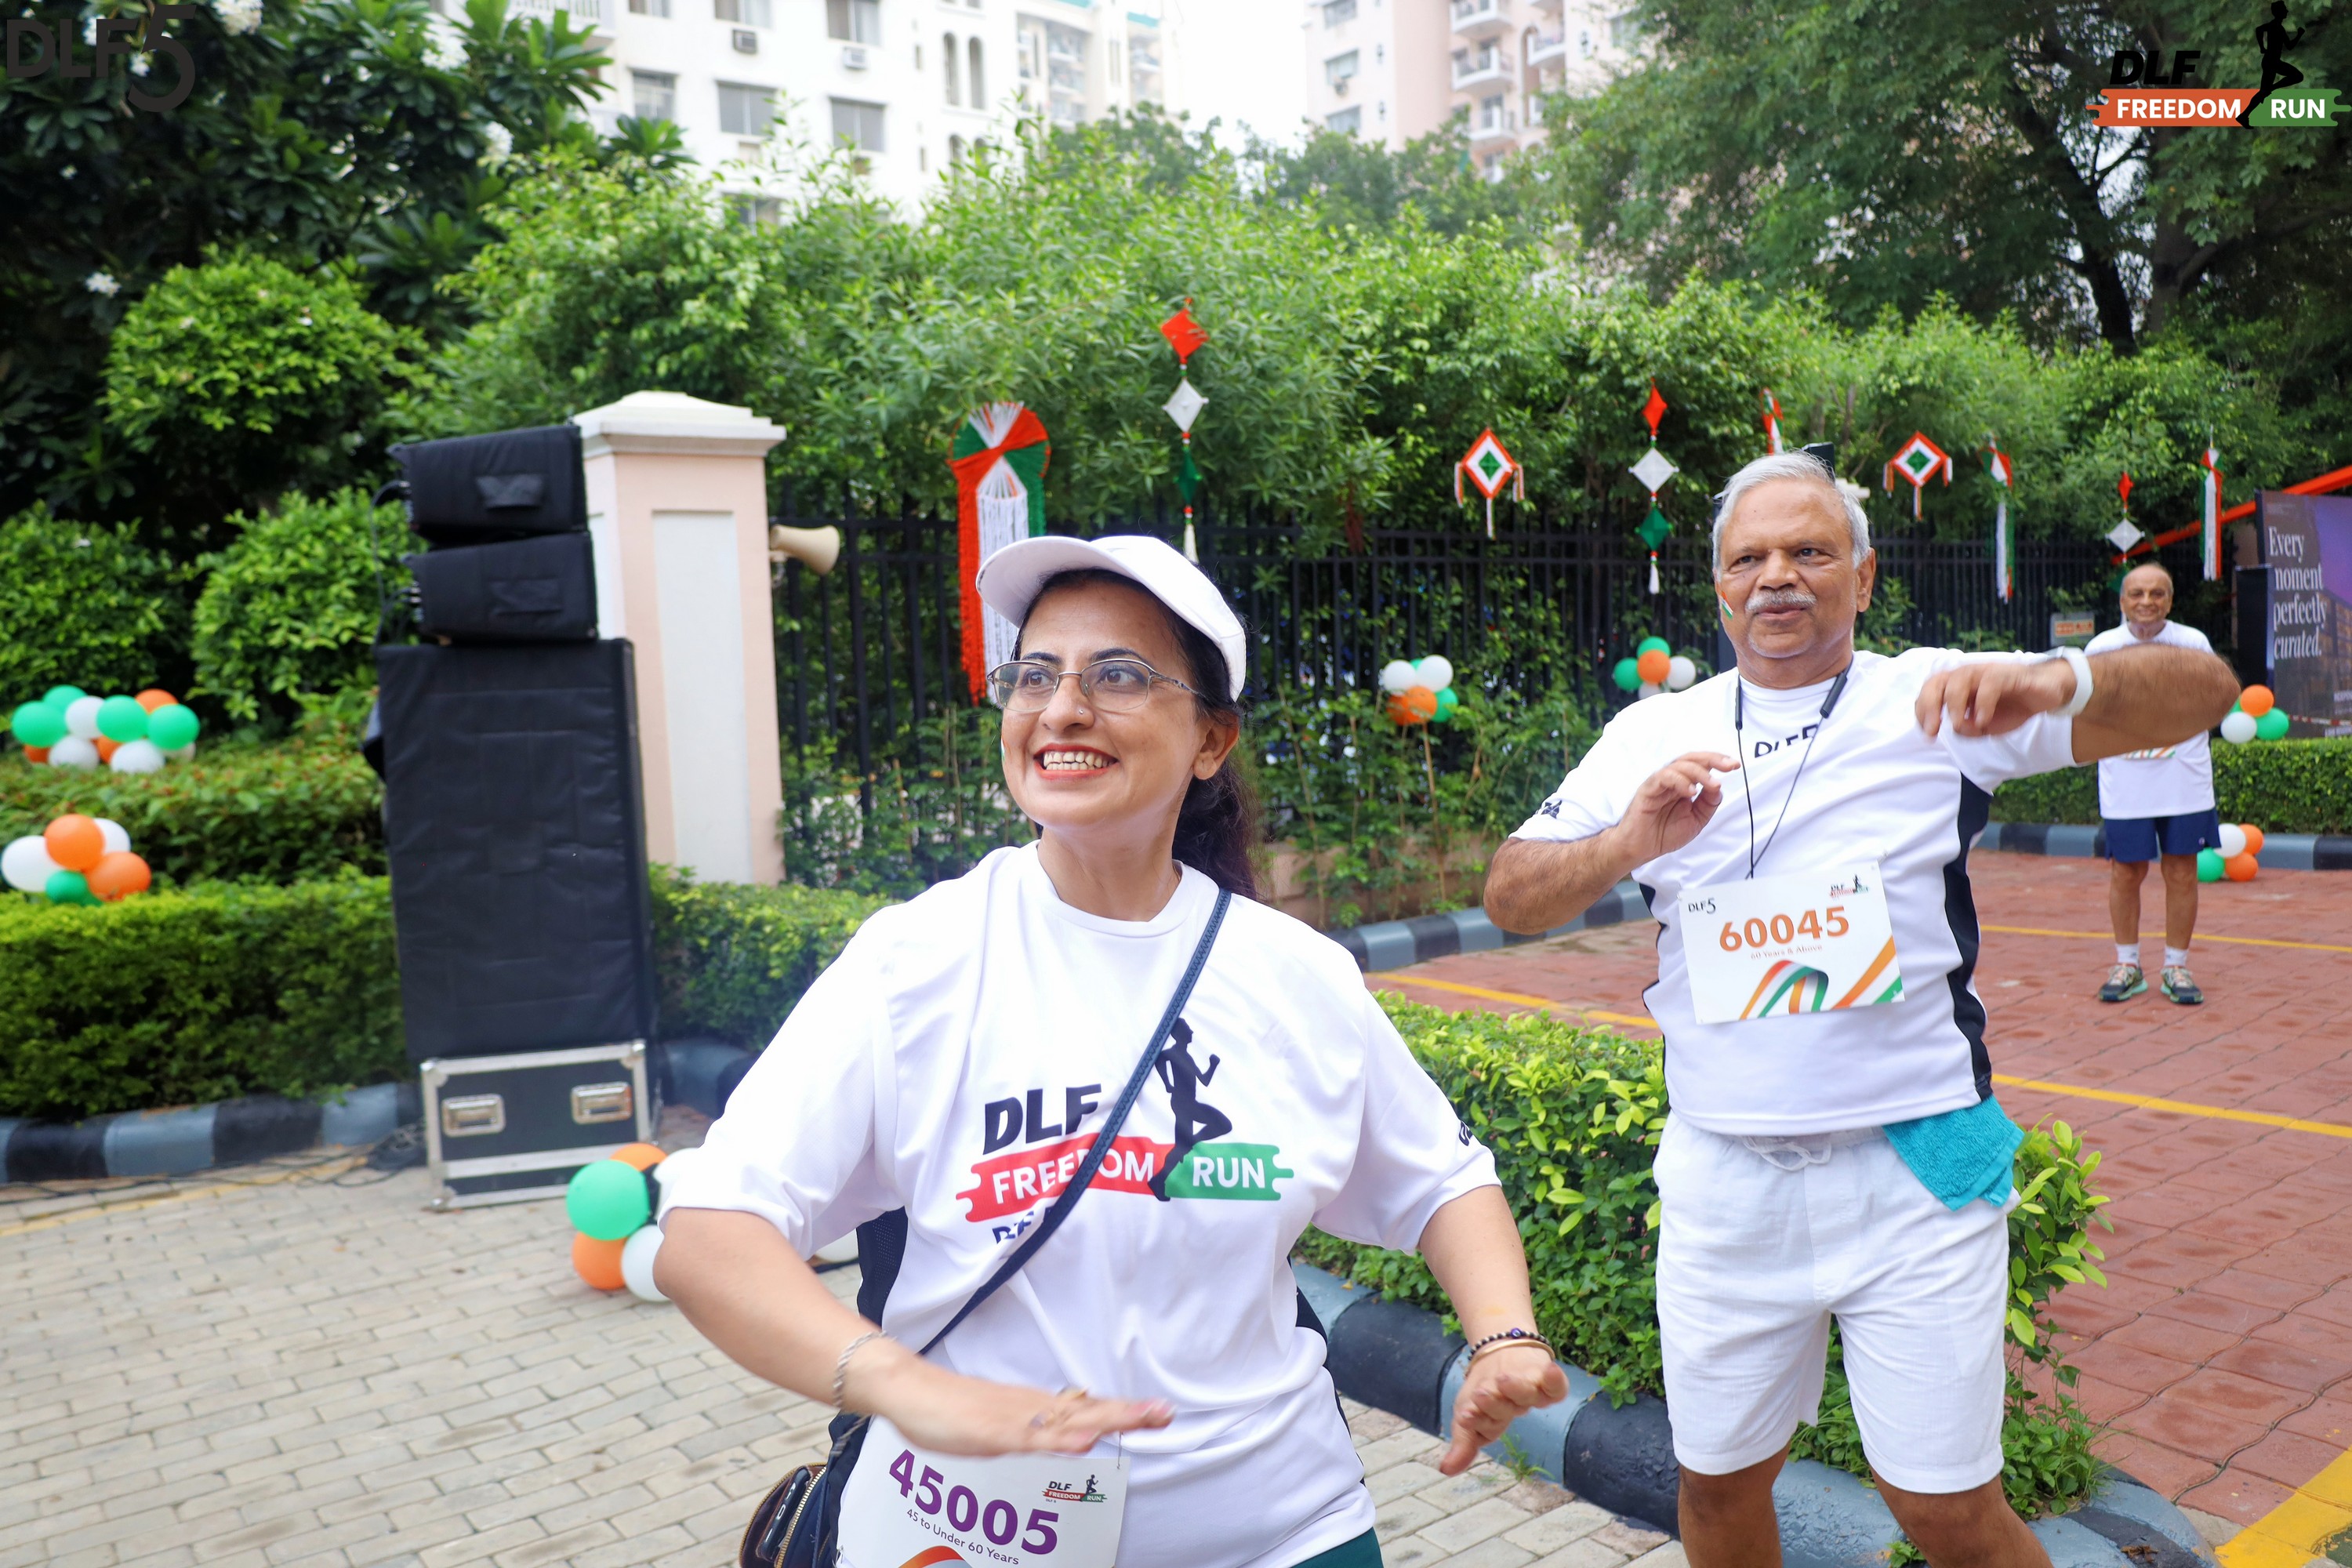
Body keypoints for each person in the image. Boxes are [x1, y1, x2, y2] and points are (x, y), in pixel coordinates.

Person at [655, 534, 1567, 1568]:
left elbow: (1445, 1180)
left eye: (1119, 675)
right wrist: (906, 1387)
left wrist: (1504, 1336)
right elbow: (709, 1231)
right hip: (970, 1535)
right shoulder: (917, 961)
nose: (1062, 709)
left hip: (1283, 1532)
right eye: (1034, 675)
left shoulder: (1294, 975)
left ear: (1211, 737)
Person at [1483, 450, 2237, 1568]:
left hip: (1912, 1175)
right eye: (1749, 558)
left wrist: (2061, 684)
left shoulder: (1936, 694)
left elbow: (2205, 693)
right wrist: (1627, 840)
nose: (1777, 576)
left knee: (1946, 1509)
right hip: (1725, 1180)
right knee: (1717, 1486)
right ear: (1720, 587)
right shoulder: (1651, 731)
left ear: (1866, 576)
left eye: (1809, 550)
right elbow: (1510, 893)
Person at [2085, 562, 2220, 1005]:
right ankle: (2127, 964)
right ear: (2122, 601)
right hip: (2126, 781)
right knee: (2126, 872)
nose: (2147, 602)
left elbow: (2210, 701)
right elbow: (2090, 712)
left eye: (2157, 593)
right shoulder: (2102, 648)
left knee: (2181, 871)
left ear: (2170, 600)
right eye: (2137, 593)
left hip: (2184, 781)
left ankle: (2176, 967)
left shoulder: (2192, 643)